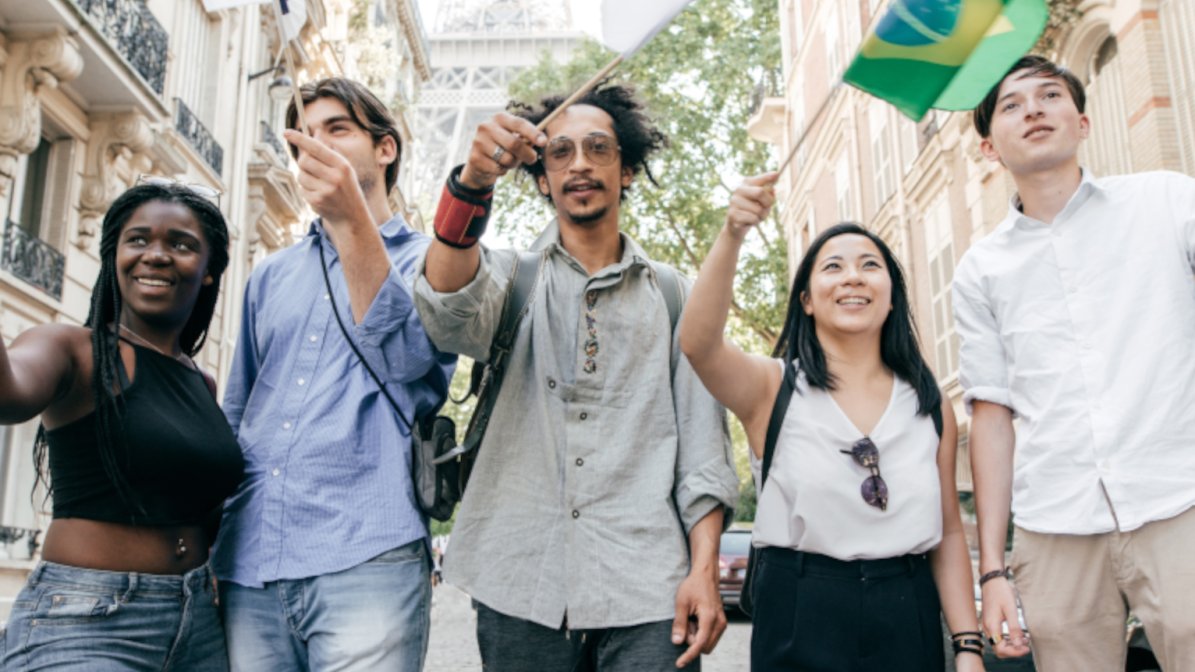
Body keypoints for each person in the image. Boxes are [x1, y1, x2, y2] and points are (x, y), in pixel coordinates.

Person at [414, 83, 740, 671]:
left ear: (629, 170)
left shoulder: (676, 297)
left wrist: (703, 570)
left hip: (648, 590)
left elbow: (703, 451)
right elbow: (445, 307)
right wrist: (472, 185)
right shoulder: (508, 278)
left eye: (598, 148)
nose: (580, 163)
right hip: (519, 581)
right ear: (541, 178)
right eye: (559, 153)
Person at [679, 180, 985, 670]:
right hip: (800, 611)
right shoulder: (771, 388)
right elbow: (698, 343)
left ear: (890, 297)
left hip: (908, 614)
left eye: (870, 266)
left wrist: (968, 646)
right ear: (806, 299)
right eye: (833, 267)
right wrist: (734, 231)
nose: (853, 278)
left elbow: (948, 532)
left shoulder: (930, 403)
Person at [955, 55, 1195, 670]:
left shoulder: (1167, 201)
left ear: (1082, 122)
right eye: (1011, 104)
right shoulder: (981, 270)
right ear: (989, 147)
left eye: (1050, 95)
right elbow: (991, 415)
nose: (1033, 109)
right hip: (1054, 524)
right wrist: (993, 574)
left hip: (1180, 497)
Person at [211, 78, 454, 671]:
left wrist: (350, 222)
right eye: (304, 138)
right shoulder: (269, 277)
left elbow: (407, 362)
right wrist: (215, 544)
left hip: (368, 556)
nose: (315, 148)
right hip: (251, 561)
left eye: (337, 130)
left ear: (386, 148)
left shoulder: (434, 262)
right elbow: (237, 413)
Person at [0, 181, 238, 671]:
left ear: (209, 272)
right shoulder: (73, 349)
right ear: (115, 257)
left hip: (197, 627)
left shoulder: (203, 384)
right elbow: (10, 395)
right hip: (88, 621)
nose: (156, 255)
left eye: (181, 244)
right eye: (138, 240)